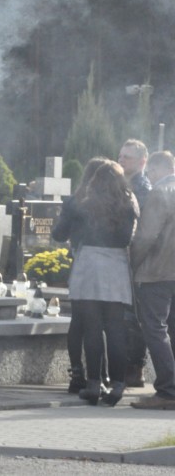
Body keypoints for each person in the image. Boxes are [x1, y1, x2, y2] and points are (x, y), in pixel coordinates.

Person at [62, 161, 138, 406]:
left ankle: (94, 383)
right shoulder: (128, 202)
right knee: (116, 328)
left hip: (89, 263)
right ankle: (117, 385)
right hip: (116, 263)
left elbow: (59, 233)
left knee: (92, 327)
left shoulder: (82, 202)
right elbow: (129, 237)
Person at [52, 157, 112, 394]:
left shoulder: (75, 201)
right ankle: (103, 375)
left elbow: (58, 234)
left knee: (79, 321)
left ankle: (77, 373)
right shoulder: (115, 201)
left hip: (83, 261)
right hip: (110, 265)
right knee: (103, 322)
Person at [130, 151, 175, 410]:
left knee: (155, 330)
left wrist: (133, 264)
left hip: (156, 272)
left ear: (155, 170)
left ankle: (167, 390)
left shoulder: (160, 193)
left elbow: (146, 237)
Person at [118, 138, 152, 387]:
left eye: (127, 157)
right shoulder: (123, 184)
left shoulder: (142, 188)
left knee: (133, 317)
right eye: (120, 156)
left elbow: (142, 230)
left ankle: (135, 368)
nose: (121, 160)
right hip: (123, 257)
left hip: (136, 259)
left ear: (142, 162)